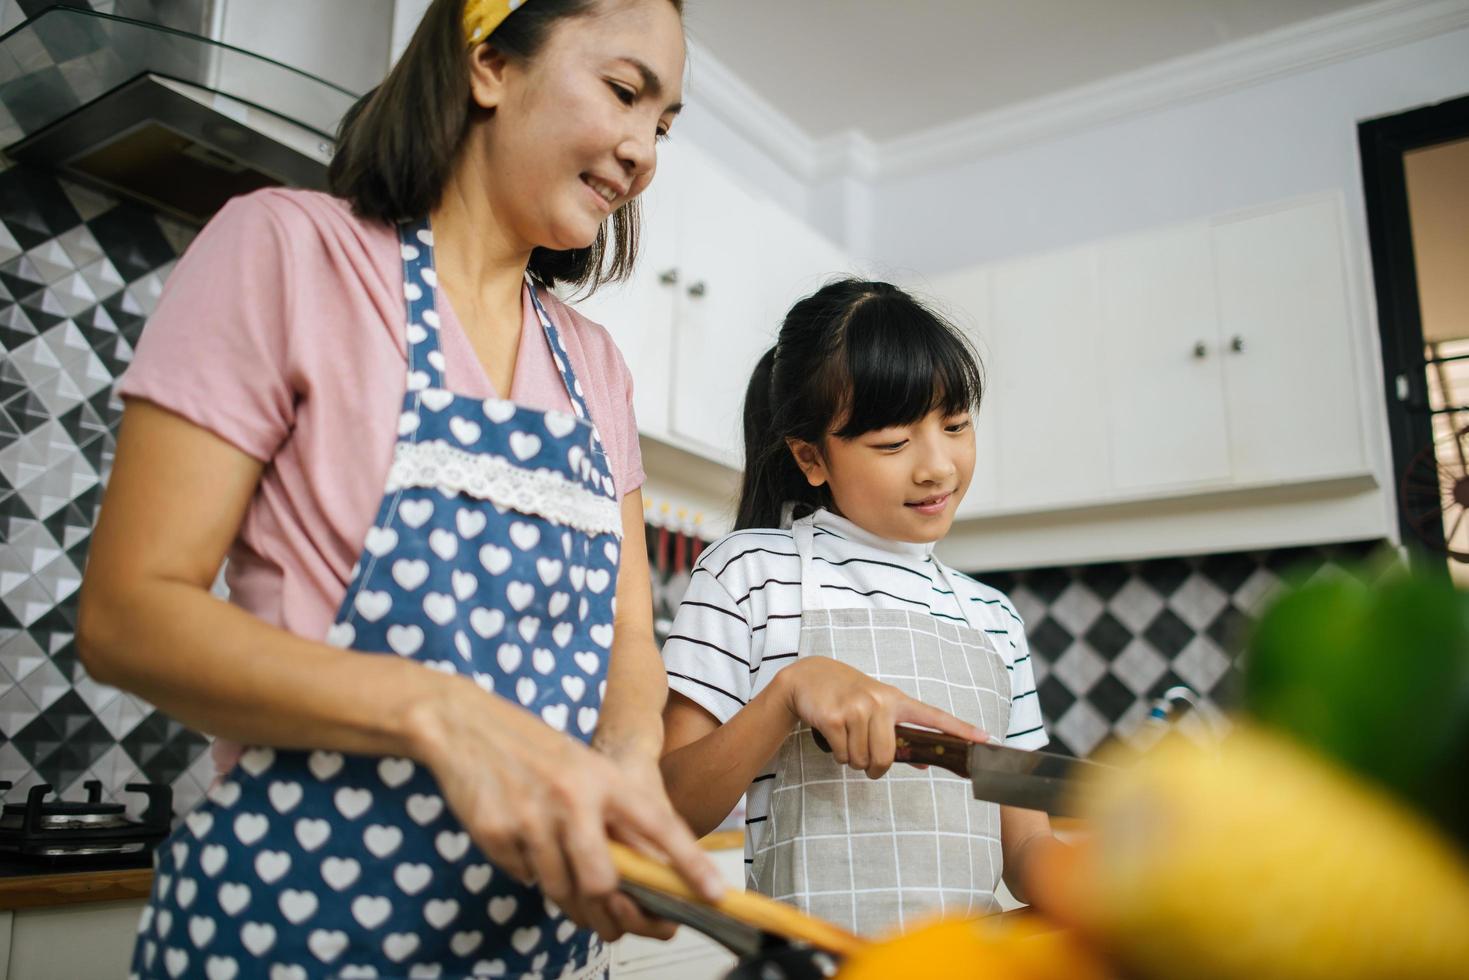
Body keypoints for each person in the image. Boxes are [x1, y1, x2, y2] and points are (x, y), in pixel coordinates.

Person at [76, 0, 724, 976]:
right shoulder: (289, 249)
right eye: (624, 92)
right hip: (289, 928)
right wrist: (444, 711)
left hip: (529, 947)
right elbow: (129, 614)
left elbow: (631, 638)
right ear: (490, 64)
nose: (642, 151)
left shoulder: (596, 367)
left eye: (663, 124)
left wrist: (628, 760)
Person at [658, 279, 1065, 937]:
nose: (937, 466)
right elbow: (669, 807)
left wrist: (1116, 882)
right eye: (892, 444)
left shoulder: (995, 619)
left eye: (955, 425)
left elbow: (1025, 849)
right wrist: (786, 693)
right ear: (811, 457)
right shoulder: (750, 574)